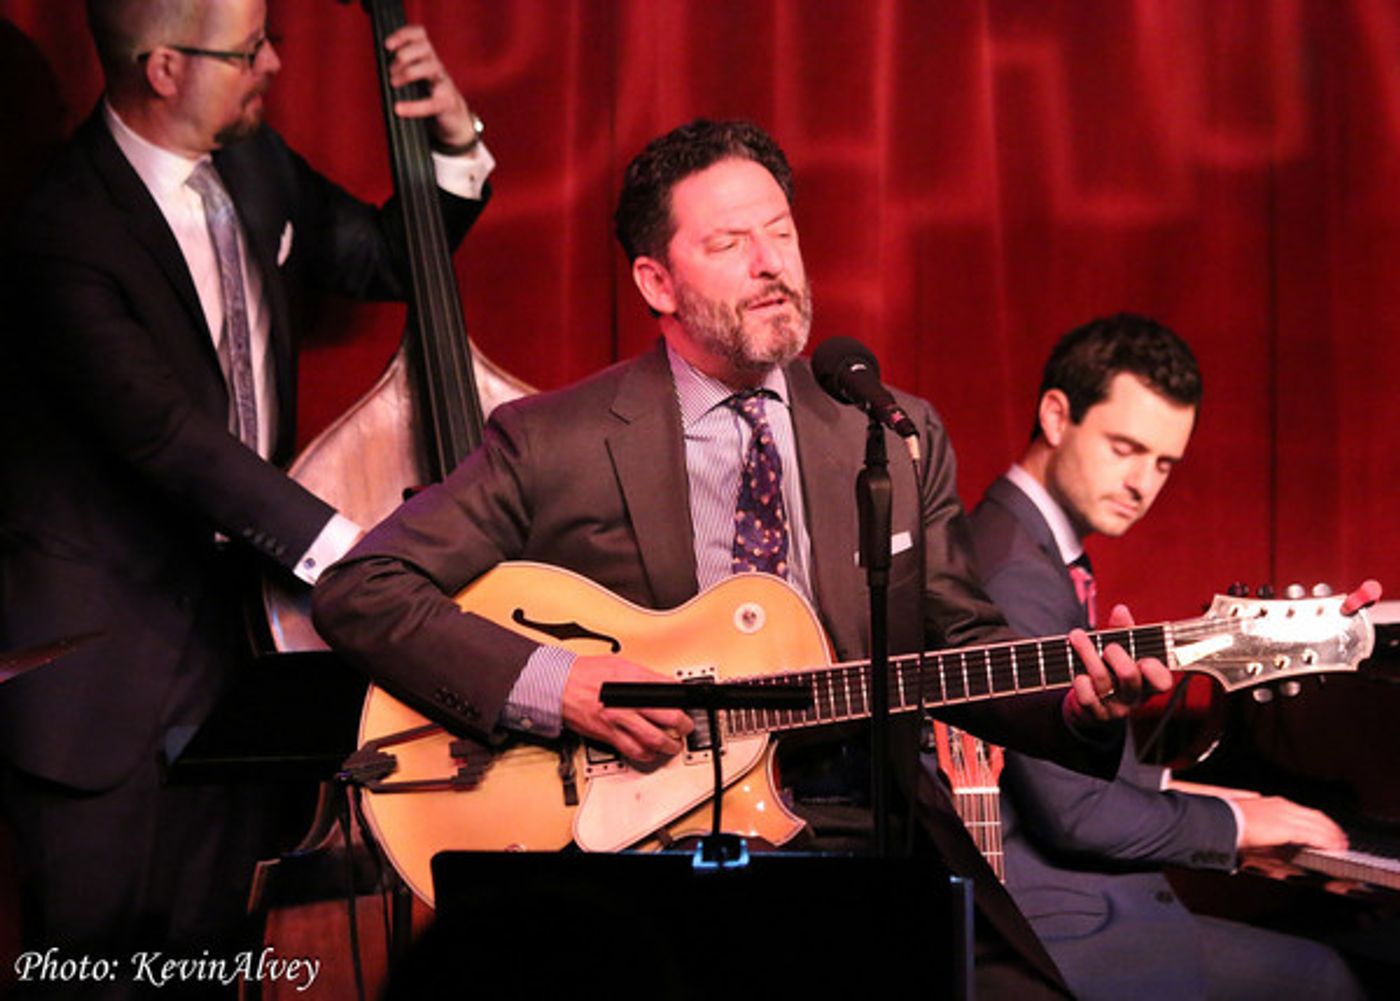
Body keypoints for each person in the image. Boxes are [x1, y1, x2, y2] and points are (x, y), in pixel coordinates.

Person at [313, 118, 1174, 996]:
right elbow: (362, 589)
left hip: (862, 821)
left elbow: (961, 640)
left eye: (783, 232)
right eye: (730, 242)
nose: (773, 264)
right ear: (657, 280)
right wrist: (559, 683)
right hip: (649, 839)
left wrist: (1077, 708)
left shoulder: (892, 431)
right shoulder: (555, 441)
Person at [0, 0, 492, 971]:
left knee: (220, 958)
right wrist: (362, 557)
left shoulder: (256, 165)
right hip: (100, 677)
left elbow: (388, 255)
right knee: (93, 973)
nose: (271, 61)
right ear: (164, 69)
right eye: (246, 48)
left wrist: (453, 142)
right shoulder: (59, 228)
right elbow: (169, 437)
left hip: (242, 656)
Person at [965, 313, 1365, 1000]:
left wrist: (1213, 794)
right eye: (1125, 447)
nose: (1142, 484)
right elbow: (1072, 813)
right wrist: (1236, 825)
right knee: (1323, 977)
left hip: (1060, 898)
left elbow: (1059, 756)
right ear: (1057, 416)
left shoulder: (1027, 543)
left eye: (1163, 462)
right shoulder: (1012, 569)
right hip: (1045, 926)